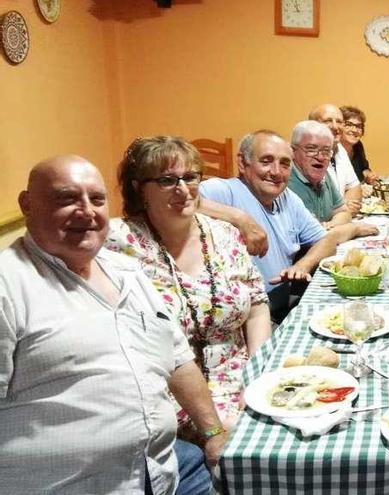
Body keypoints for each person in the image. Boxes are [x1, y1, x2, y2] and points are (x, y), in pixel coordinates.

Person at [0, 156, 224, 494]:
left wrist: (214, 434)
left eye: (97, 199)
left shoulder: (126, 270)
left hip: (167, 469)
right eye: (66, 198)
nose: (87, 211)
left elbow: (177, 358)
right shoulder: (9, 285)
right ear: (27, 204)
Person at [106, 136, 272, 434]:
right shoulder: (118, 243)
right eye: (167, 180)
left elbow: (258, 305)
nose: (183, 190)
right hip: (168, 393)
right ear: (138, 188)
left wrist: (257, 375)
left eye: (190, 177)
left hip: (242, 375)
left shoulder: (224, 234)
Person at [199, 129, 340, 322]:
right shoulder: (223, 191)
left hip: (283, 307)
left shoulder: (288, 198)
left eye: (284, 164)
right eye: (266, 161)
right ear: (242, 163)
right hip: (246, 320)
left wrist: (302, 266)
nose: (276, 172)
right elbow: (181, 203)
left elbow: (326, 241)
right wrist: (240, 218)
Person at [287, 121, 379, 239]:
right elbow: (311, 238)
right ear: (293, 151)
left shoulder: (323, 175)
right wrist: (353, 229)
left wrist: (330, 226)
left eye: (326, 151)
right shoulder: (286, 183)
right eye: (311, 149)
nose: (320, 157)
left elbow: (344, 213)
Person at [308, 103, 363, 213]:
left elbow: (355, 188)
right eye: (328, 121)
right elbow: (311, 207)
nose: (335, 126)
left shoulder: (339, 148)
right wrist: (342, 207)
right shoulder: (306, 155)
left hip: (341, 220)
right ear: (312, 126)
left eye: (339, 122)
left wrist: (342, 208)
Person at [340, 105, 378, 186]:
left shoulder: (358, 145)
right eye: (349, 124)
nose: (354, 130)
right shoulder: (331, 149)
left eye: (358, 126)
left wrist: (369, 176)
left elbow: (364, 169)